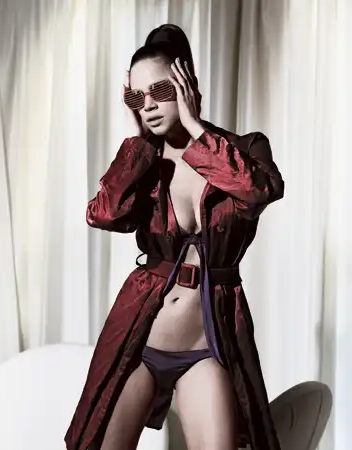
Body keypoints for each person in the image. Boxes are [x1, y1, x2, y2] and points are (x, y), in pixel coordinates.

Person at [64, 24, 284, 450]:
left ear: (187, 84)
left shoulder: (245, 148)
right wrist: (136, 143)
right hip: (140, 341)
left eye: (160, 91)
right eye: (136, 97)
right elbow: (103, 214)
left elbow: (258, 191)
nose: (147, 105)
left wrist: (196, 129)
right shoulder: (144, 161)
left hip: (208, 347)